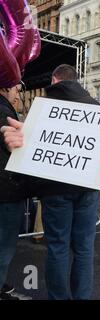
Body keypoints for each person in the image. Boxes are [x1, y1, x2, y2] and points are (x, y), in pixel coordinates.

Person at [2, 65, 100, 300]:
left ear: (55, 80)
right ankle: (82, 297)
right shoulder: (96, 108)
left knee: (57, 247)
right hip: (88, 185)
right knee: (84, 248)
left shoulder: (44, 109)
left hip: (55, 190)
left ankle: (59, 298)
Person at [0, 84, 30, 300]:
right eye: (16, 89)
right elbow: (6, 129)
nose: (18, 95)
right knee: (4, 247)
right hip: (7, 191)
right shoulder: (4, 110)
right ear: (4, 88)